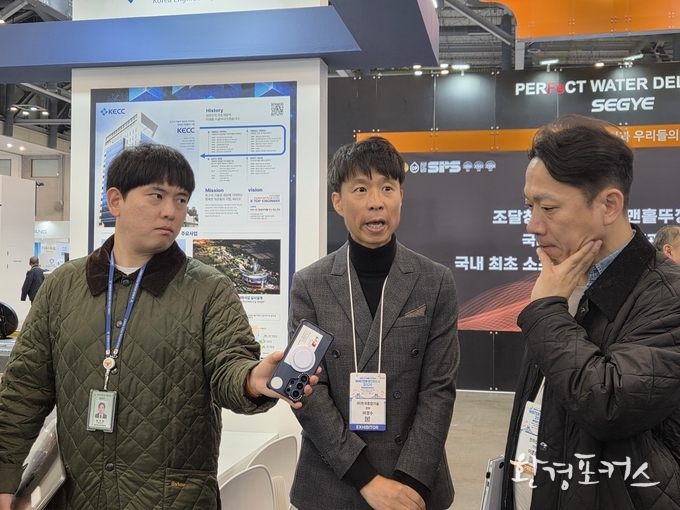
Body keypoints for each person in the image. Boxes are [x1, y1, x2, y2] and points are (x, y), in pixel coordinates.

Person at [0, 143, 317, 510]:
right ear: (115, 201)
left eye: (181, 200)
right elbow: (24, 392)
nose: (171, 211)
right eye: (157, 196)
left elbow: (229, 367)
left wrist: (251, 380)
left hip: (175, 499)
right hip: (78, 497)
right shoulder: (63, 286)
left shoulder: (208, 288)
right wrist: (4, 477)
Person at [501, 115, 680, 510]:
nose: (533, 225)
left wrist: (546, 312)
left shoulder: (669, 296)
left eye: (549, 207)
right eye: (529, 206)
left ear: (609, 205)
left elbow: (609, 404)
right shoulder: (562, 280)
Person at [289, 136, 460, 510]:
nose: (376, 201)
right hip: (331, 479)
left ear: (400, 197)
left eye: (387, 187)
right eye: (360, 189)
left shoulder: (434, 281)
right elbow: (304, 389)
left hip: (413, 478)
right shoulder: (310, 284)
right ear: (338, 202)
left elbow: (439, 389)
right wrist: (367, 480)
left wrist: (408, 485)